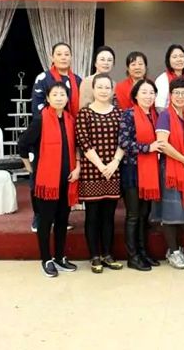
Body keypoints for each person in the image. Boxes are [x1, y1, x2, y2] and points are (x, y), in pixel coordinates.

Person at [19, 82, 80, 278]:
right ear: (47, 98)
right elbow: (22, 144)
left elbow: (75, 147)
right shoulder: (41, 120)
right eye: (55, 94)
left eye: (63, 94)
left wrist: (77, 168)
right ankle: (46, 259)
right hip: (46, 182)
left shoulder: (70, 120)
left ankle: (60, 257)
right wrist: (31, 169)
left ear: (67, 98)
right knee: (45, 221)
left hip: (66, 180)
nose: (59, 98)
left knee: (62, 220)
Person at [29, 42, 81, 233]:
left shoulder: (77, 80)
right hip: (46, 134)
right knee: (40, 175)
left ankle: (60, 216)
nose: (63, 57)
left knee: (64, 175)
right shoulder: (44, 78)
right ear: (52, 57)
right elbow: (37, 107)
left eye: (67, 54)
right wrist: (54, 123)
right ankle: (39, 216)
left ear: (71, 57)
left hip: (69, 132)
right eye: (59, 54)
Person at [75, 73, 124, 274]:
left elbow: (124, 139)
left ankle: (108, 254)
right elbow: (83, 141)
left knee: (109, 216)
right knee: (93, 216)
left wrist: (114, 162)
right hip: (91, 171)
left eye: (107, 87)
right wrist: (101, 165)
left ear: (112, 91)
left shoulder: (119, 113)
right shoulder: (84, 113)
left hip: (114, 170)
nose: (104, 91)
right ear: (93, 90)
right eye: (100, 87)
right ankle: (94, 255)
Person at [151, 76, 184, 269]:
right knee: (171, 214)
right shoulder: (165, 116)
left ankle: (177, 249)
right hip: (170, 171)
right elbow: (162, 144)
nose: (180, 96)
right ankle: (173, 252)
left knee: (183, 215)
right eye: (176, 93)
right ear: (170, 95)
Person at [118, 79, 164, 272]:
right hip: (132, 170)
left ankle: (143, 252)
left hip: (150, 171)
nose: (148, 96)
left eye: (151, 92)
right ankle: (133, 256)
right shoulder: (128, 114)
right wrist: (148, 148)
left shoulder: (155, 115)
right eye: (144, 92)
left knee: (145, 215)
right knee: (134, 215)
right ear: (135, 95)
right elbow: (124, 142)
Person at [154, 44, 184, 111]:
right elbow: (159, 107)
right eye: (174, 57)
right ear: (168, 60)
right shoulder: (162, 80)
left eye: (181, 56)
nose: (179, 59)